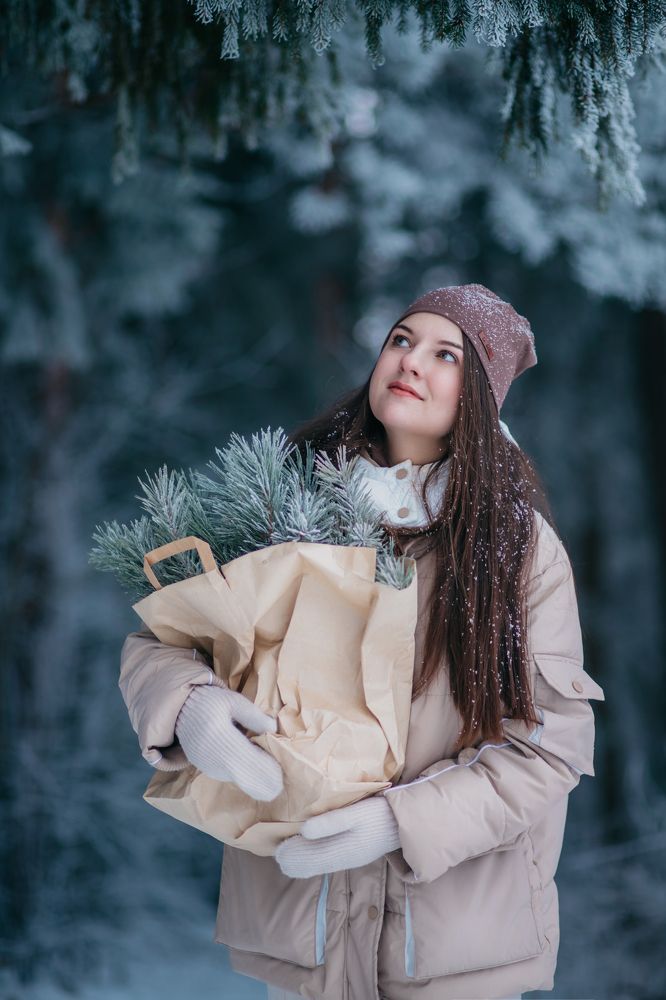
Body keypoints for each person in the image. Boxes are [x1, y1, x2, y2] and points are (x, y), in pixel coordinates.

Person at [118, 283, 605, 1000]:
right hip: (304, 925)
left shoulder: (515, 548)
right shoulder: (284, 503)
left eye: (447, 355)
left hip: (450, 948)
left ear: (481, 397)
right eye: (402, 340)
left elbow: (547, 747)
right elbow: (165, 637)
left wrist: (396, 822)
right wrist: (190, 705)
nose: (412, 361)